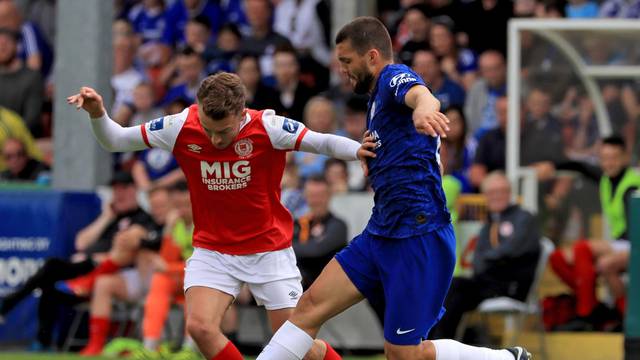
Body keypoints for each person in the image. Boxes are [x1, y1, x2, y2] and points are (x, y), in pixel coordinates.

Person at [256, 17, 531, 360]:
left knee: (402, 353)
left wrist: (425, 110)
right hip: (381, 232)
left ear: (371, 56)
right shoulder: (375, 101)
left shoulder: (391, 78)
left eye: (347, 62)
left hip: (418, 235)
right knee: (308, 309)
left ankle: (503, 358)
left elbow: (421, 95)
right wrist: (370, 152)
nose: (343, 71)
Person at [67, 71, 375, 360]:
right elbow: (115, 140)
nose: (215, 140)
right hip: (213, 251)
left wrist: (357, 151)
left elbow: (320, 141)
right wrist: (98, 113)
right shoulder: (179, 126)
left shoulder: (268, 127)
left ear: (242, 114)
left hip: (268, 251)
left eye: (223, 131)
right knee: (200, 327)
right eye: (207, 128)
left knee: (300, 345)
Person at [0, 171, 160, 349]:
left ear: (134, 190)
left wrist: (97, 258)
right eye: (115, 189)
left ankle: (10, 302)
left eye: (123, 188)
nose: (119, 193)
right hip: (84, 268)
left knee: (52, 266)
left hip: (106, 271)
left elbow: (132, 249)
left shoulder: (143, 219)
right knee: (49, 284)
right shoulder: (111, 217)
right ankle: (42, 341)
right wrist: (106, 217)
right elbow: (80, 242)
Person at [429, 171, 541, 339]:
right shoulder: (490, 224)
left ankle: (440, 345)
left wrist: (488, 259)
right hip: (488, 284)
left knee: (457, 290)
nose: (496, 197)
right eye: (490, 193)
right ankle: (435, 343)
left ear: (509, 192)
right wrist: (489, 259)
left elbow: (511, 250)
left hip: (511, 287)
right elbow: (478, 259)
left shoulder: (523, 218)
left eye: (500, 191)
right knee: (450, 287)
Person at [549, 136, 640, 330]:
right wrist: (551, 166)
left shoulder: (633, 185)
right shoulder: (606, 178)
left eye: (614, 157)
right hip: (622, 242)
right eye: (605, 158)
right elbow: (581, 167)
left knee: (603, 262)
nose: (609, 163)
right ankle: (591, 308)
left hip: (634, 243)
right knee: (561, 257)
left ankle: (619, 316)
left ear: (625, 158)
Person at [293, 176, 348, 289]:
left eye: (320, 196)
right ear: (305, 197)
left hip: (326, 289)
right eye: (312, 196)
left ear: (329, 196)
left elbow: (317, 250)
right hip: (297, 286)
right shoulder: (297, 224)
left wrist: (289, 248)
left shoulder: (338, 225)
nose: (315, 201)